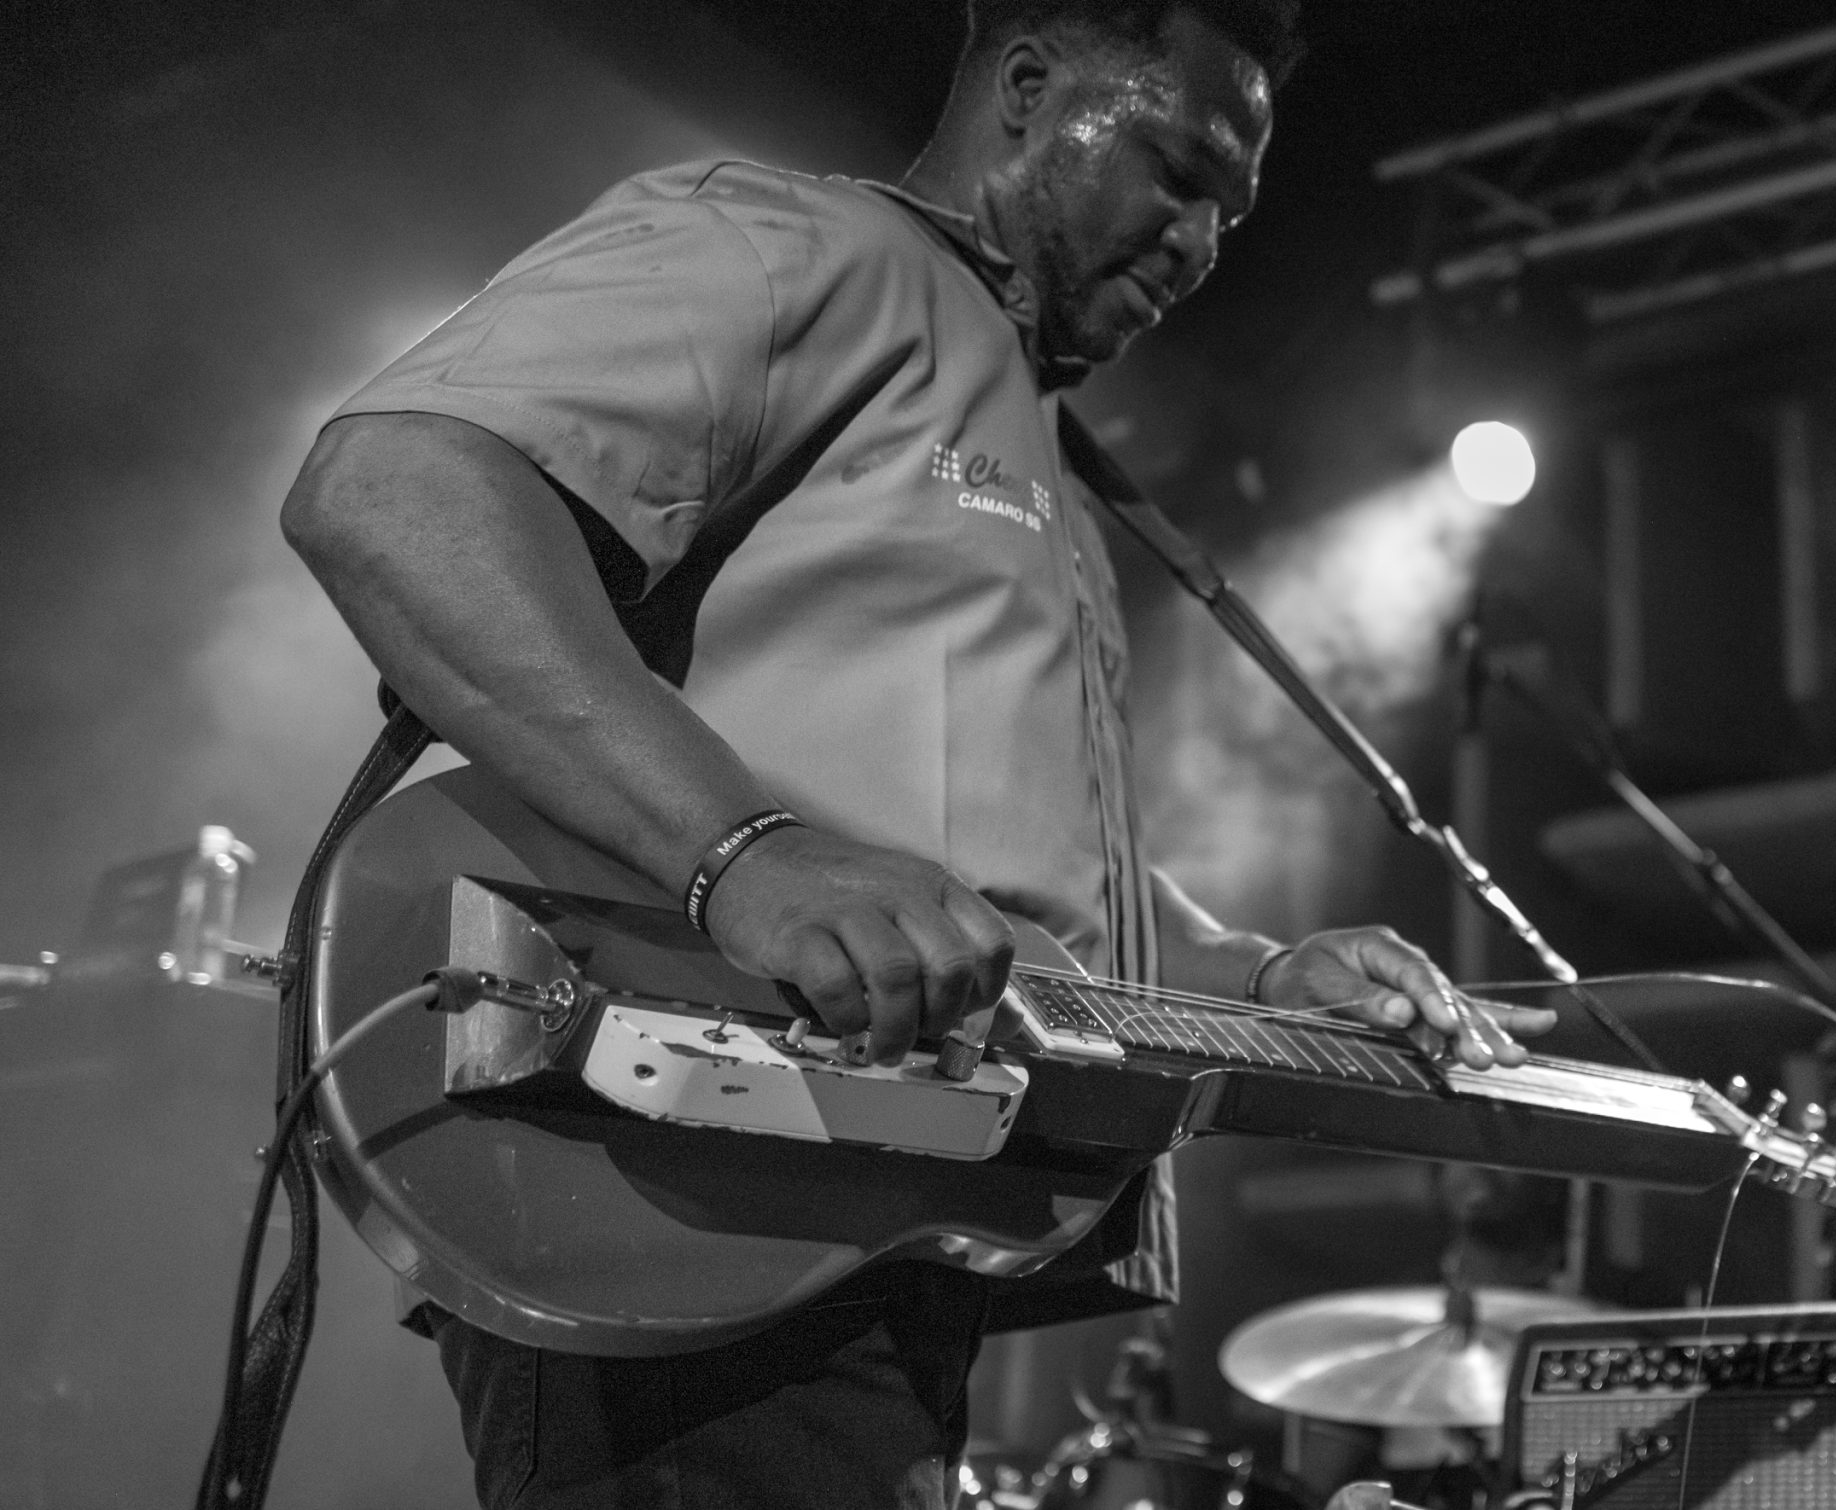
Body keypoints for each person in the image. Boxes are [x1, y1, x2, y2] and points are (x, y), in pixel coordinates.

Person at [280, 1, 1554, 1506]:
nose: (1203, 242)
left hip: (875, 1191)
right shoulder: (805, 248)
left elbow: (1022, 901)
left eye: (1232, 210)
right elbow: (394, 489)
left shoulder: (1055, 475)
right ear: (1028, 87)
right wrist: (749, 857)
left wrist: (1255, 976)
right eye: (1178, 171)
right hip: (684, 1163)